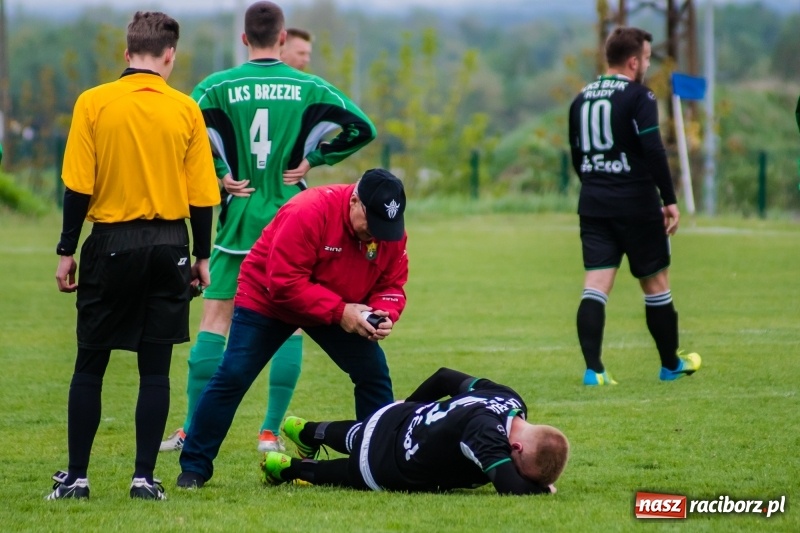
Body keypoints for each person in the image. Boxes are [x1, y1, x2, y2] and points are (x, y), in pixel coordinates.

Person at [160, 1, 376, 455]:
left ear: (244, 40)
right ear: (282, 39)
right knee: (291, 323)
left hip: (239, 219)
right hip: (296, 223)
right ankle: (268, 432)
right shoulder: (308, 86)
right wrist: (313, 160)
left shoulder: (215, 87)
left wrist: (218, 171)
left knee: (215, 322)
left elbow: (181, 132)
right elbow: (362, 128)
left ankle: (188, 430)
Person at [48, 11, 220, 501]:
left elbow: (77, 186)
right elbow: (202, 195)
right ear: (170, 55)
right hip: (170, 246)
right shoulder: (186, 109)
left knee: (89, 365)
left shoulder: (94, 102)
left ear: (126, 54)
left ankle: (77, 478)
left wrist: (66, 250)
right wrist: (202, 256)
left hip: (111, 243)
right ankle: (144, 478)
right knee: (155, 369)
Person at [176, 168, 408, 489]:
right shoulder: (307, 210)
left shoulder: (388, 232)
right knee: (233, 375)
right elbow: (284, 282)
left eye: (386, 228)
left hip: (337, 303)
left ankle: (378, 460)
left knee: (372, 371)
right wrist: (341, 311)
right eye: (372, 225)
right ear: (355, 201)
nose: (377, 236)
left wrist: (384, 311)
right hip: (269, 298)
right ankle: (194, 467)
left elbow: (392, 283)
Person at [567, 27, 701, 386]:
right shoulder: (639, 95)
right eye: (645, 57)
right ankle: (670, 364)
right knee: (656, 284)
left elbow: (578, 156)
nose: (646, 63)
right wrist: (669, 200)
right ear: (633, 61)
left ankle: (594, 370)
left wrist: (598, 184)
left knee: (595, 285)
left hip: (594, 203)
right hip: (637, 203)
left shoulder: (581, 98)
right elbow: (653, 149)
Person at [261, 367, 569, 495]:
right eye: (521, 468)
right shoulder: (487, 435)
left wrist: (408, 405)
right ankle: (287, 468)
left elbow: (445, 376)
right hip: (389, 462)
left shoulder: (510, 399)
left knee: (358, 434)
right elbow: (509, 485)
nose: (515, 469)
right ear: (517, 449)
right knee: (348, 473)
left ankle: (305, 431)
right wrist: (542, 489)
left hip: (398, 417)